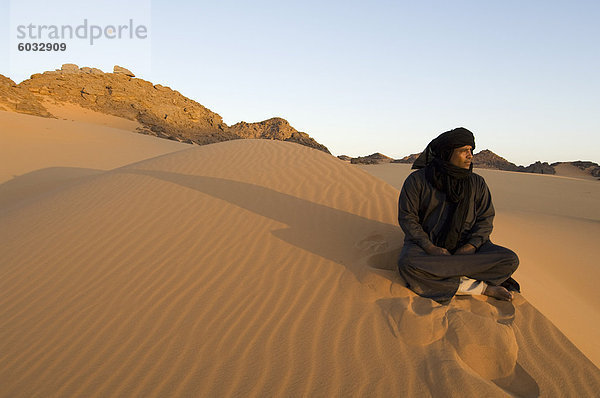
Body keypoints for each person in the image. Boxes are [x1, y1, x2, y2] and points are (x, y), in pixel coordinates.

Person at [397, 127, 520, 305]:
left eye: (471, 151)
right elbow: (408, 219)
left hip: (467, 249)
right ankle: (483, 288)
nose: (470, 156)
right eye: (464, 151)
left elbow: (485, 219)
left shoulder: (477, 183)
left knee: (509, 260)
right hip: (427, 248)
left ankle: (441, 276)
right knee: (407, 264)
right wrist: (430, 247)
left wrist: (471, 246)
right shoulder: (417, 181)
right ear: (447, 153)